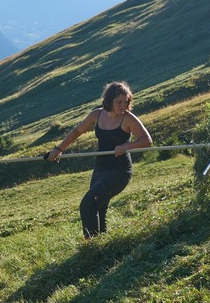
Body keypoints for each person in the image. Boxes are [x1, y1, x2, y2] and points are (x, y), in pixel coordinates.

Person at [46, 81, 152, 239]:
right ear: (109, 100)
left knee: (87, 205)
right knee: (99, 208)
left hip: (119, 171)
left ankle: (91, 245)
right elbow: (77, 131)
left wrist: (127, 145)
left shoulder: (128, 119)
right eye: (119, 102)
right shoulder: (97, 114)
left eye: (126, 102)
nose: (123, 106)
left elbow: (147, 141)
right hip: (101, 168)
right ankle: (100, 243)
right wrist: (59, 149)